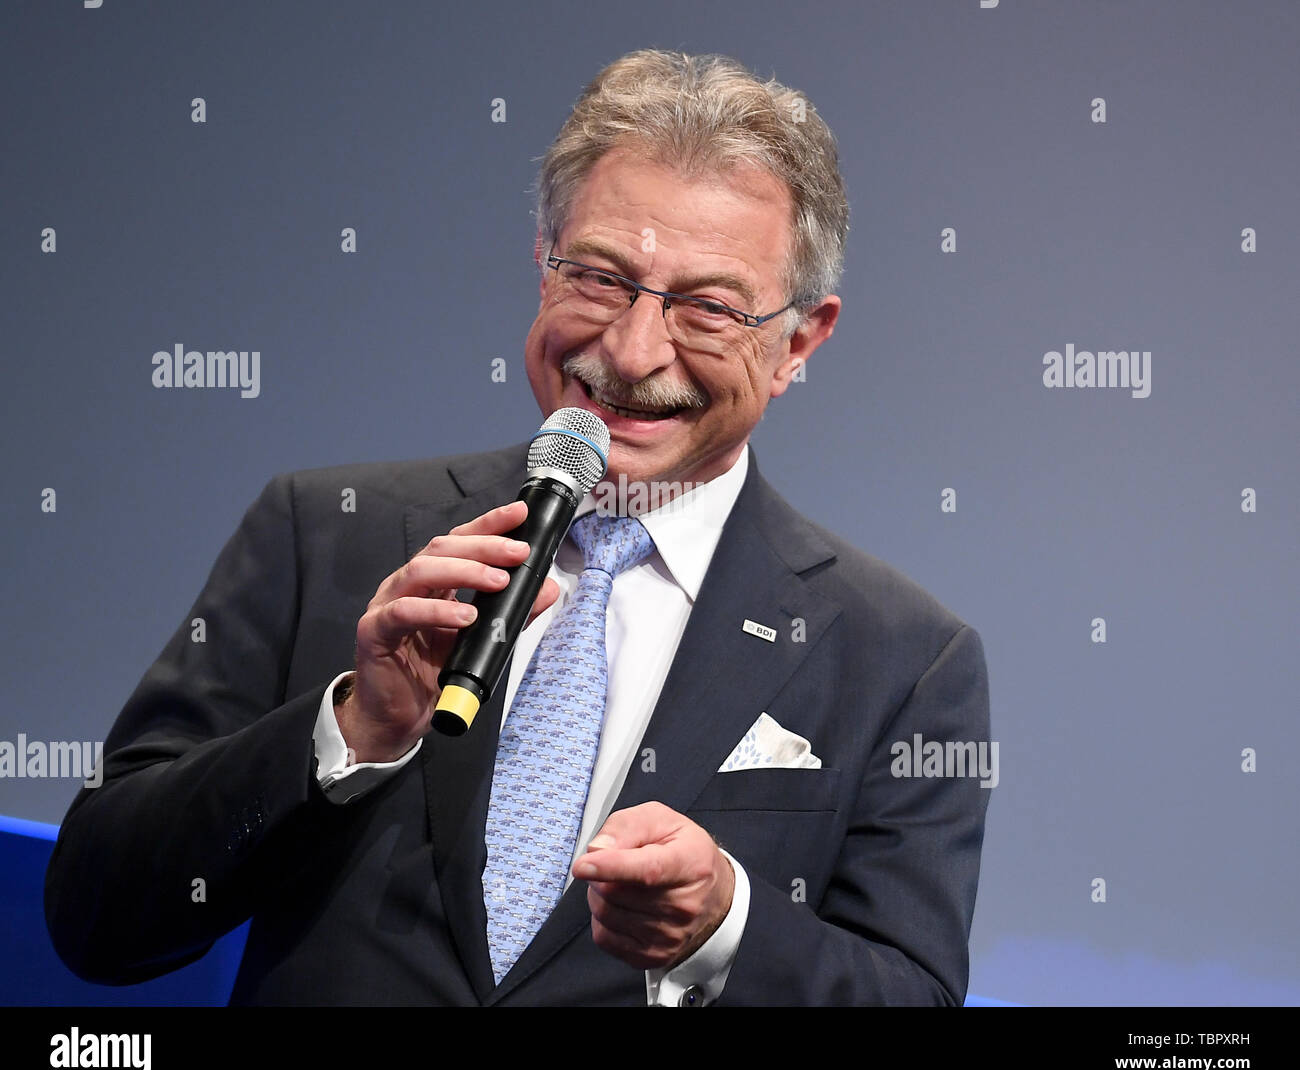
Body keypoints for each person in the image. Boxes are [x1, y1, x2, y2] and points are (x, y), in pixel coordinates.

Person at [45, 49, 992, 1006]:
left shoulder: (900, 659)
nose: (630, 351)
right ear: (542, 265)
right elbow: (93, 914)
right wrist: (350, 729)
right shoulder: (326, 532)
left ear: (799, 341)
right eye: (599, 277)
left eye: (707, 307)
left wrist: (727, 930)